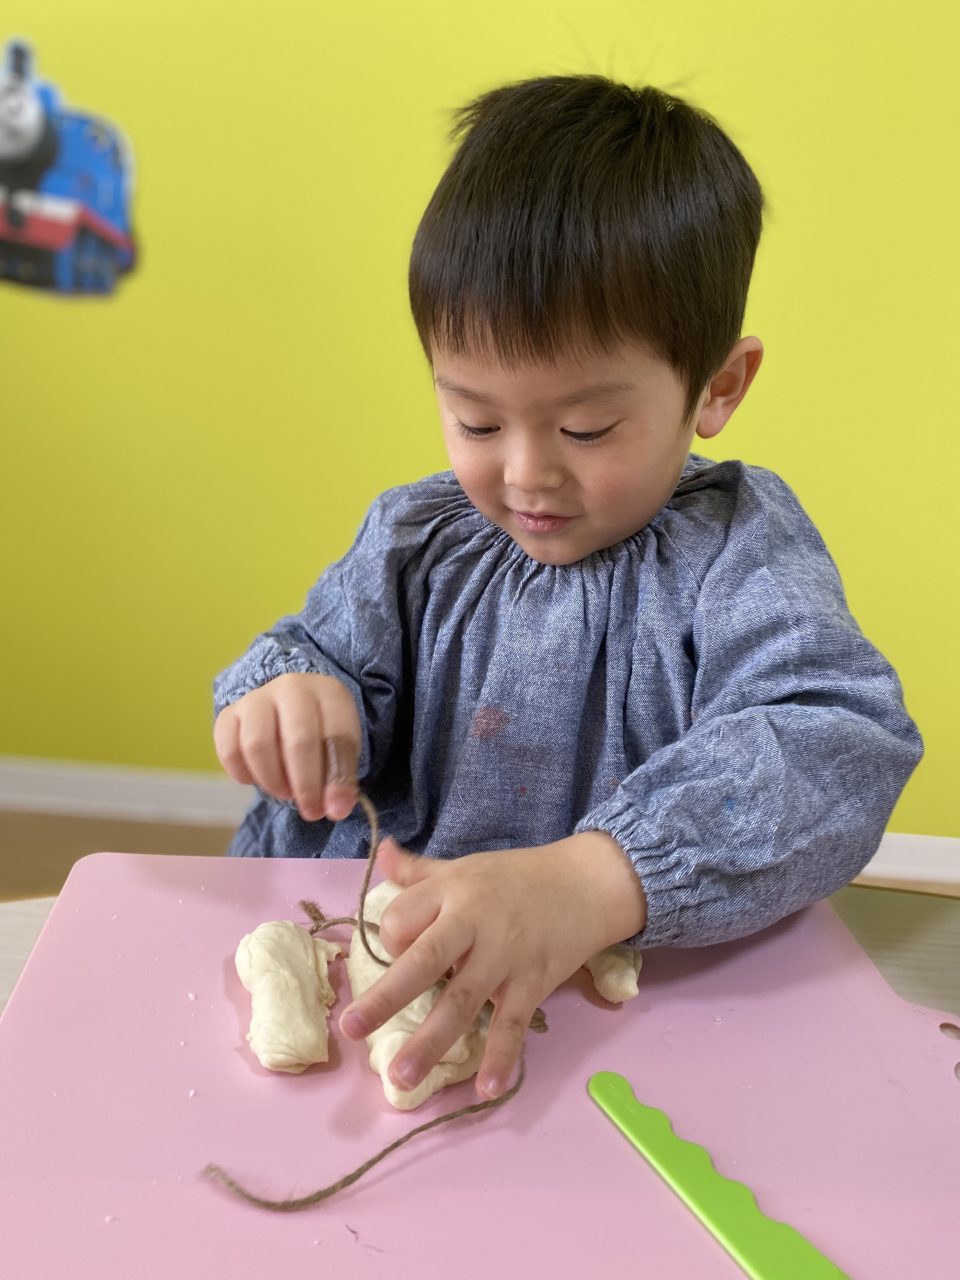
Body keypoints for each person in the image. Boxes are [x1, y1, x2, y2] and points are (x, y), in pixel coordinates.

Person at [212, 74, 923, 1105]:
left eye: (586, 429)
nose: (526, 474)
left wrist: (597, 878)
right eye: (476, 420)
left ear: (718, 386)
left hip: (619, 1033)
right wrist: (290, 697)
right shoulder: (412, 539)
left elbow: (838, 742)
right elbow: (318, 660)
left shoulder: (739, 551)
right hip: (370, 973)